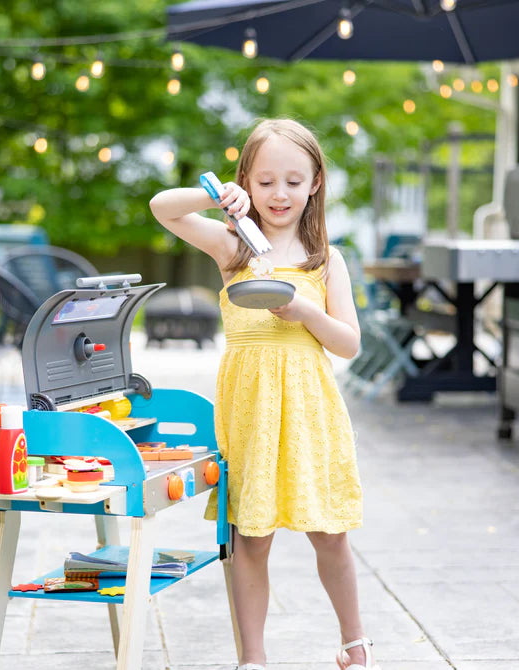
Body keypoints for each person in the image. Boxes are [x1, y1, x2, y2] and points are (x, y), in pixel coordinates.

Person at [149, 118, 379, 670]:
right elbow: (163, 207)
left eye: (294, 181)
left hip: (309, 409)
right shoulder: (232, 246)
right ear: (246, 183)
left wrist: (303, 310)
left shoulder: (327, 259)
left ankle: (355, 643)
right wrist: (211, 196)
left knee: (329, 534)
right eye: (266, 181)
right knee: (251, 538)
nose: (280, 194)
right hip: (251, 410)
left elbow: (348, 344)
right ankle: (252, 658)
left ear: (315, 183)